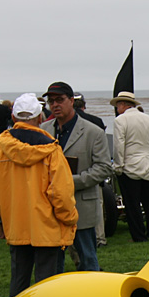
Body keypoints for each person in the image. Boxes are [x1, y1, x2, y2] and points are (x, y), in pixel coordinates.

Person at [0, 93, 78, 297]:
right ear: (40, 118)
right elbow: (60, 192)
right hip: (47, 226)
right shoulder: (51, 149)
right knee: (45, 285)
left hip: (15, 224)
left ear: (14, 118)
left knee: (19, 280)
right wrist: (69, 219)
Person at [41, 81, 111, 272]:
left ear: (71, 101)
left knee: (87, 259)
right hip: (51, 209)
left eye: (60, 100)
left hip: (82, 206)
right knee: (53, 264)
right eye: (51, 101)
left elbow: (104, 167)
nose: (55, 105)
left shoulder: (93, 132)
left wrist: (70, 182)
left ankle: (93, 296)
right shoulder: (43, 130)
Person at [112, 91, 149, 243]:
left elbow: (119, 145)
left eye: (118, 105)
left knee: (132, 204)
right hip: (148, 164)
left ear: (123, 105)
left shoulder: (121, 120)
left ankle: (139, 235)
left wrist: (118, 166)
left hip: (130, 165)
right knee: (148, 203)